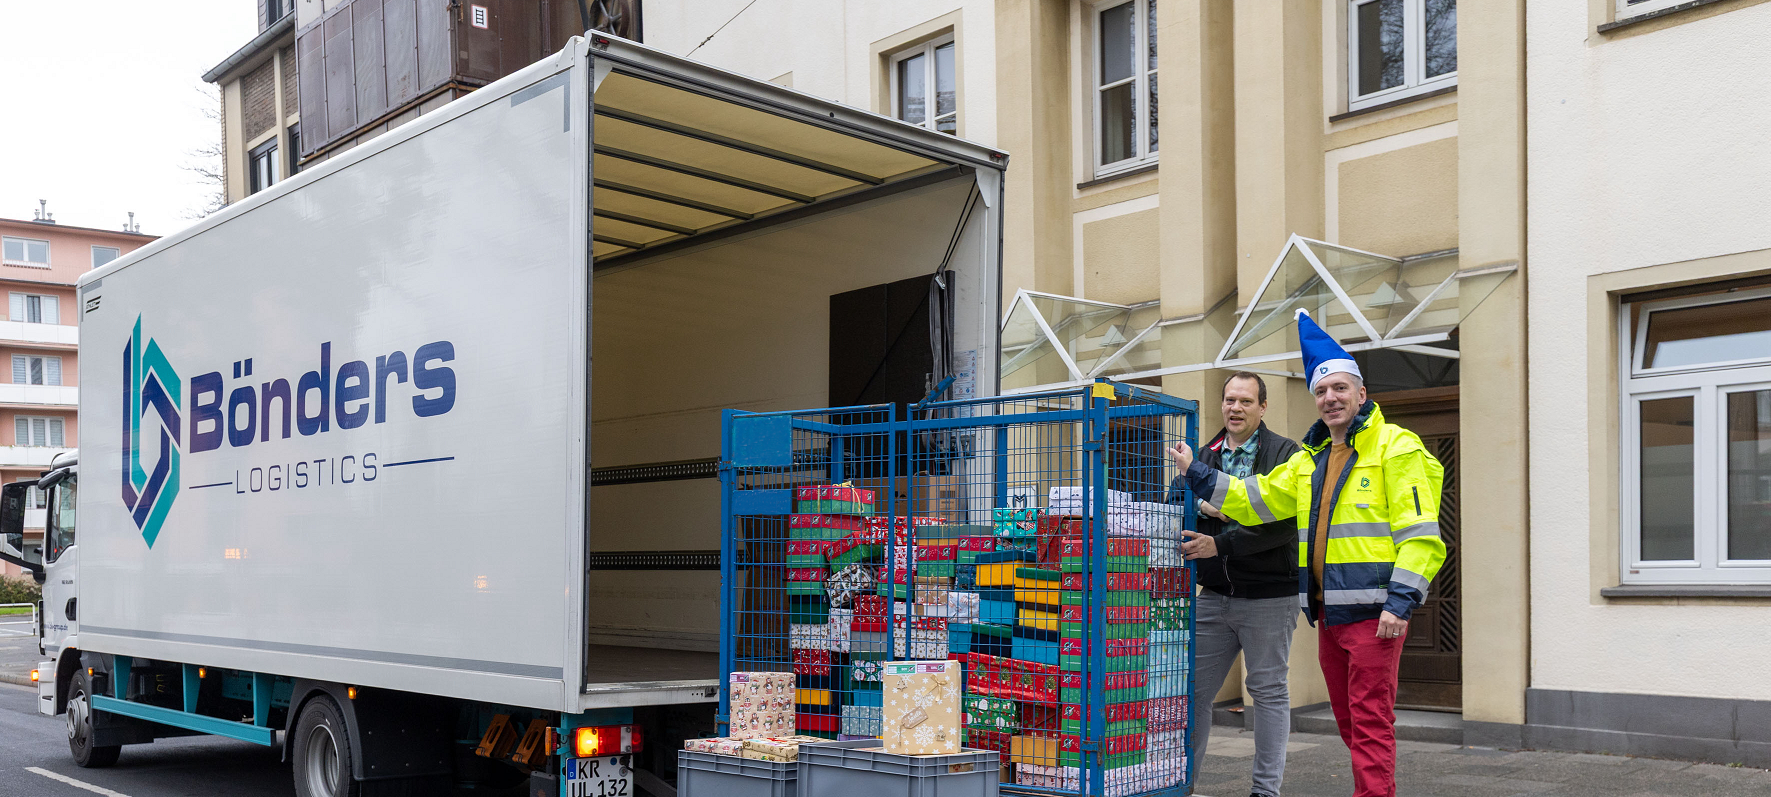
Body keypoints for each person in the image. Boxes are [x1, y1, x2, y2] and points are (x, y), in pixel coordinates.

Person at [1168, 310, 1446, 797]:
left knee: (1370, 724)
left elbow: (1421, 533)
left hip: (1375, 614)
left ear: (1361, 393)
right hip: (1329, 615)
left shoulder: (1396, 447)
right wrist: (1198, 473)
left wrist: (1401, 602)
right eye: (1321, 391)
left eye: (1340, 388)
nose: (1330, 398)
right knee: (1351, 724)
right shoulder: (1309, 460)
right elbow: (1256, 499)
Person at [1169, 371, 1301, 797]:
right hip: (1214, 597)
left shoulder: (1286, 454)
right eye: (1229, 400)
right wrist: (1207, 502)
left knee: (1267, 694)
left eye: (1245, 401)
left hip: (1270, 596)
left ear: (1263, 407)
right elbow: (1175, 500)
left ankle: (1265, 791)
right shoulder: (1202, 453)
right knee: (1191, 693)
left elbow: (1284, 525)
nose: (1235, 408)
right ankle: (1182, 784)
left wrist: (1220, 544)